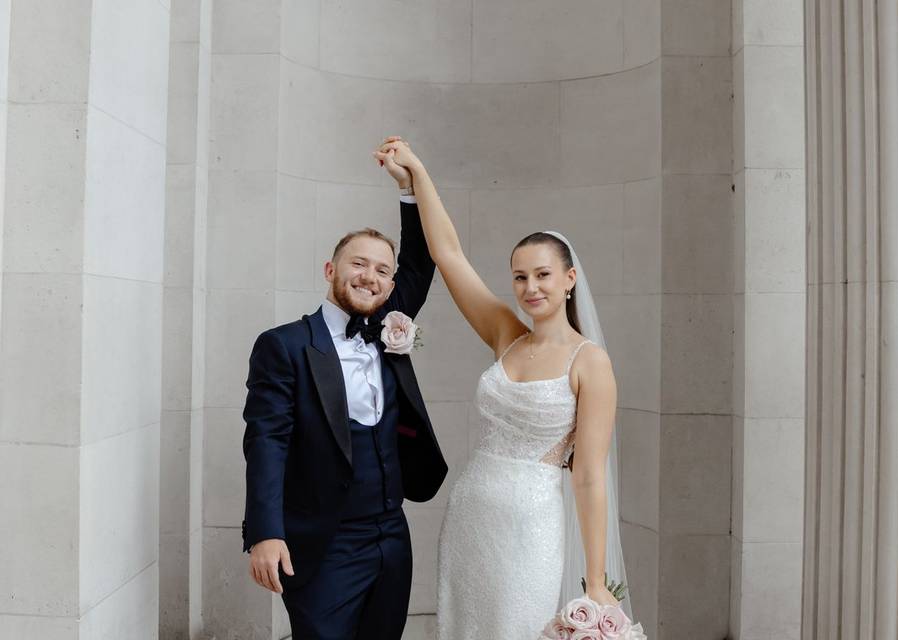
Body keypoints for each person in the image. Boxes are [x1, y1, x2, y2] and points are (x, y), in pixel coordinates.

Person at [374, 138, 632, 639]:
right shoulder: (505, 336)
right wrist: (417, 177)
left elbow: (589, 478)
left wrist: (596, 581)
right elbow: (448, 255)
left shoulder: (591, 363)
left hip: (532, 528)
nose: (530, 287)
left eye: (542, 275)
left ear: (569, 279)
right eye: (519, 277)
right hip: (471, 514)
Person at [241, 141, 447, 640]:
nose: (370, 277)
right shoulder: (285, 345)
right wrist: (265, 532)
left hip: (391, 536)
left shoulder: (388, 324)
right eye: (358, 264)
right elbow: (266, 440)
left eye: (381, 270)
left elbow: (423, 261)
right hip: (324, 541)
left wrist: (408, 186)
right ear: (331, 270)